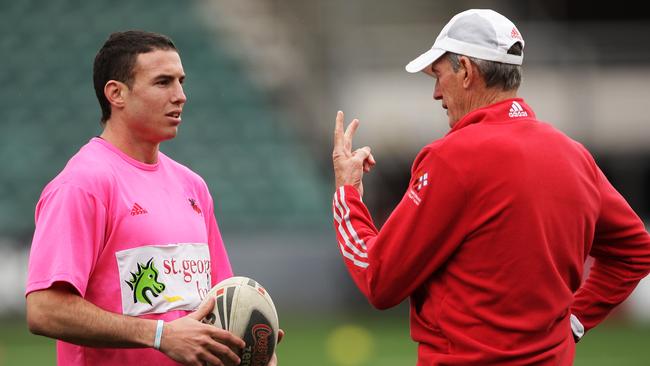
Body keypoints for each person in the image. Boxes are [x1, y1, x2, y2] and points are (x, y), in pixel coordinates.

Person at [331, 9, 650, 365]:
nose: (436, 93)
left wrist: (347, 192)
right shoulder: (575, 156)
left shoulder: (452, 157)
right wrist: (575, 321)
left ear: (466, 71)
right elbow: (635, 250)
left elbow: (380, 279)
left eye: (438, 75)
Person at [25, 30, 280, 366]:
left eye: (181, 81)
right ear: (116, 94)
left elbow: (220, 302)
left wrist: (250, 345)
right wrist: (161, 335)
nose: (181, 95)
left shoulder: (193, 186)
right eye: (163, 82)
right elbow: (45, 310)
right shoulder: (83, 184)